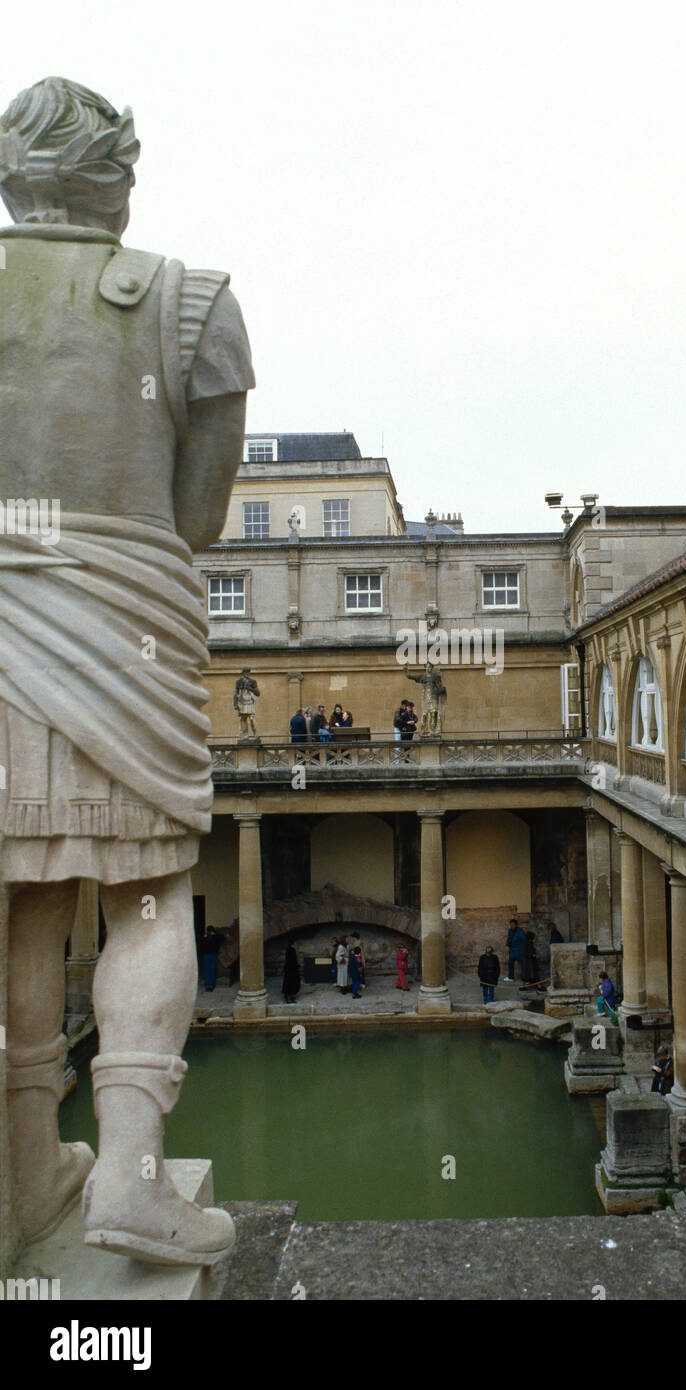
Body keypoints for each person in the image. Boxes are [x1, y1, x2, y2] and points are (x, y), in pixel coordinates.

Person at [0, 76, 253, 1265]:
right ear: (115, 180)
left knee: (24, 882)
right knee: (147, 889)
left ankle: (24, 1177)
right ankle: (132, 1178)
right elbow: (196, 513)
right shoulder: (191, 302)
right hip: (129, 627)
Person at [201, 926, 222, 992]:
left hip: (208, 955)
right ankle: (210, 985)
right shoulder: (206, 937)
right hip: (211, 955)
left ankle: (209, 985)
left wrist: (214, 936)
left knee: (209, 970)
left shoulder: (214, 937)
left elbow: (221, 937)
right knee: (210, 970)